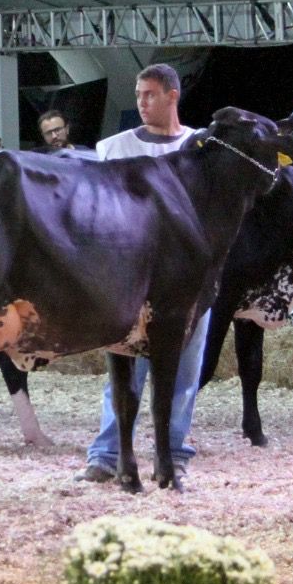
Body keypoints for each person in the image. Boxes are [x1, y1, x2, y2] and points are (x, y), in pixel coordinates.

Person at [76, 63, 207, 491]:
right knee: (123, 371)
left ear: (173, 96)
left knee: (185, 374)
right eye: (138, 95)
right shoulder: (113, 149)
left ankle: (174, 453)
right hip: (129, 277)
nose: (141, 103)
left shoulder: (200, 147)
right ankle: (108, 453)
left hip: (187, 279)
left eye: (149, 94)